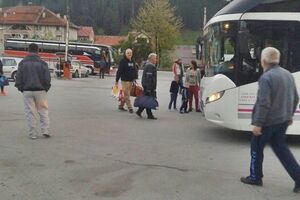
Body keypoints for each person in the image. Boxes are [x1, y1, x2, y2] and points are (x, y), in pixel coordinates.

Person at [240, 47, 300, 193]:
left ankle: (255, 177)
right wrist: (290, 115)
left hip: (268, 122)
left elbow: (264, 103)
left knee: (256, 147)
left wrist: (258, 124)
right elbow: (296, 97)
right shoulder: (287, 74)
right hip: (283, 121)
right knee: (281, 149)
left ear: (263, 60)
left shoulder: (266, 78)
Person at [15, 43, 51, 140]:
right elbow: (47, 78)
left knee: (30, 113)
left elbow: (18, 78)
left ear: (28, 50)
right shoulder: (43, 63)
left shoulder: (22, 63)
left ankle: (33, 134)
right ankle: (46, 131)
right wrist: (45, 88)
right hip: (40, 91)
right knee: (43, 111)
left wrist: (21, 88)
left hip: (27, 91)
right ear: (38, 51)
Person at [115, 48, 137, 113]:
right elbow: (119, 71)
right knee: (127, 94)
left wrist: (135, 78)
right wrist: (116, 81)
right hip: (125, 81)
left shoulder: (132, 61)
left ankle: (121, 106)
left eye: (130, 53)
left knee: (126, 94)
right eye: (128, 53)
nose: (129, 54)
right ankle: (130, 108)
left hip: (131, 81)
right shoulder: (122, 61)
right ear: (125, 54)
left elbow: (134, 70)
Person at [136, 53, 157, 120]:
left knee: (147, 100)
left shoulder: (149, 65)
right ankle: (149, 115)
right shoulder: (150, 66)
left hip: (148, 86)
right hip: (149, 87)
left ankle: (139, 111)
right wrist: (148, 89)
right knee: (148, 100)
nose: (156, 60)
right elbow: (148, 78)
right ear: (151, 59)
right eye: (155, 58)